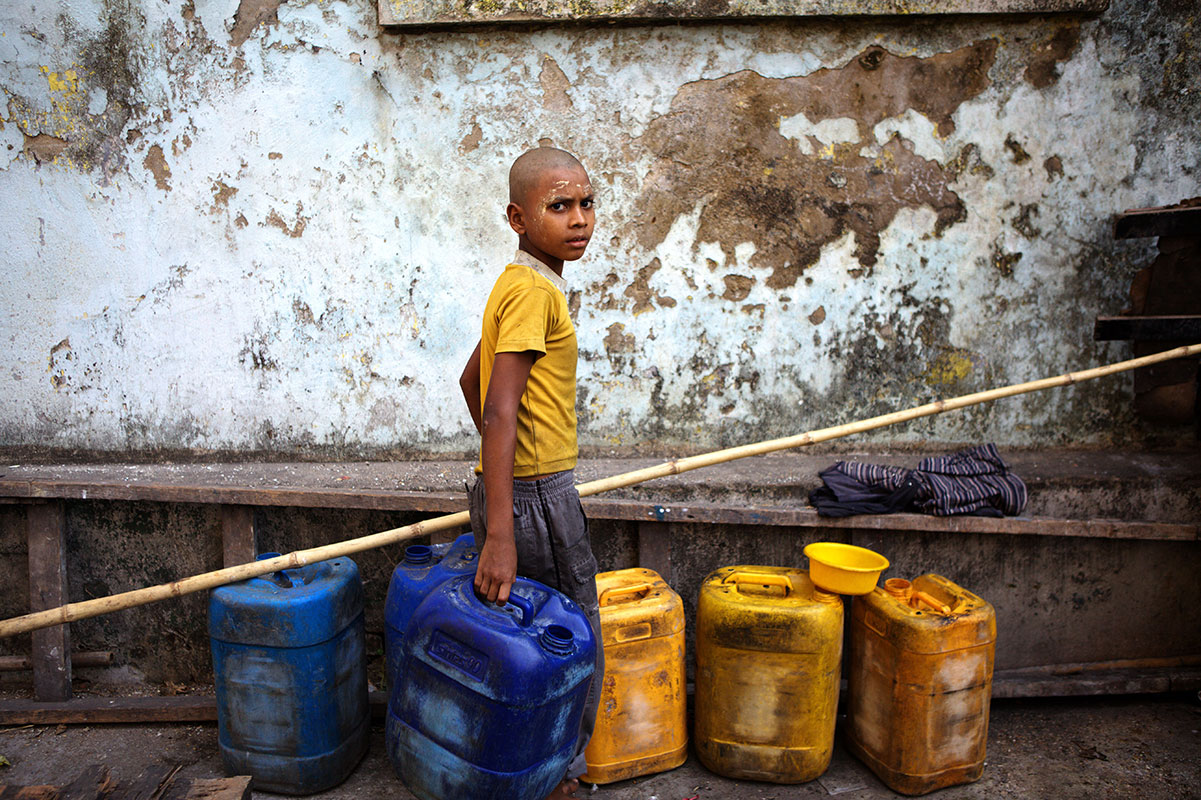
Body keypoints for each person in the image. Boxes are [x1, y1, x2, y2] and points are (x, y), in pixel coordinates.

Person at [459, 146, 603, 800]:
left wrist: (500, 483)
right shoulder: (531, 295)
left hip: (517, 497)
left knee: (519, 644)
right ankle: (557, 780)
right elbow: (497, 405)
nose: (578, 220)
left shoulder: (520, 283)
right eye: (559, 206)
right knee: (570, 643)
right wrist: (503, 527)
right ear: (518, 217)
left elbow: (471, 378)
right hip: (536, 503)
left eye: (586, 203)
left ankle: (524, 774)